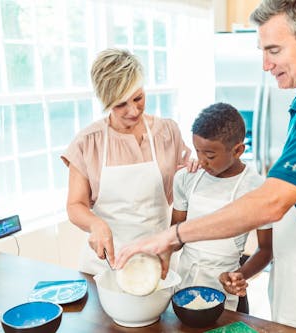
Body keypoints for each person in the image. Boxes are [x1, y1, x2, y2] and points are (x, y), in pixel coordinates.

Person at [115, 1, 296, 332]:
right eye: (262, 51)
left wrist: (173, 235)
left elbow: (270, 203)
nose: (265, 64)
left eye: (274, 50)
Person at [61, 48, 195, 275]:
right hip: (104, 265)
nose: (133, 110)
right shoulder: (88, 142)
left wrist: (195, 169)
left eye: (138, 98)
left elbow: (183, 186)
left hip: (157, 260)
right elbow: (75, 205)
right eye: (121, 104)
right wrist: (96, 224)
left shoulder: (167, 132)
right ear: (105, 100)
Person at [171, 102, 272, 313]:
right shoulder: (187, 178)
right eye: (197, 151)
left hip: (226, 288)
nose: (201, 161)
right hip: (184, 284)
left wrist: (240, 276)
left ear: (237, 151)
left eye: (209, 156)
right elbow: (175, 235)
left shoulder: (256, 188)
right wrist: (155, 252)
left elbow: (266, 249)